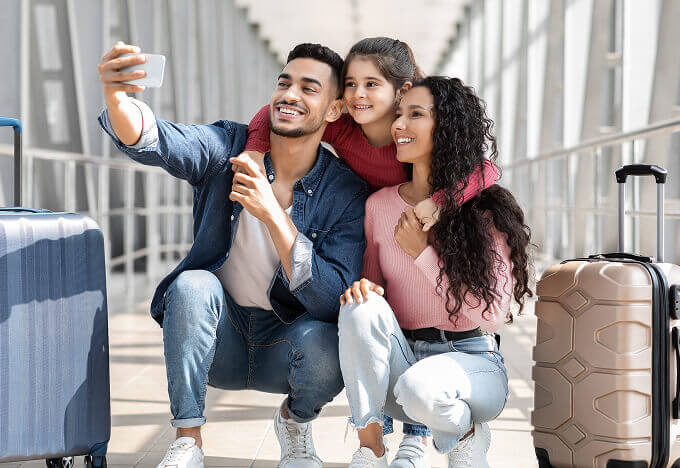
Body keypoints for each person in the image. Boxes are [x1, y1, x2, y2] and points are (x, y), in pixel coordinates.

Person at [97, 41, 368, 468]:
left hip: (288, 341)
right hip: (219, 339)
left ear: (334, 110)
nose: (290, 95)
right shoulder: (231, 148)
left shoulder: (345, 191)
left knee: (329, 342)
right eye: (284, 83)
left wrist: (273, 215)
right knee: (190, 285)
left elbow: (329, 295)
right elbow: (160, 141)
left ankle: (296, 425)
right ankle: (188, 440)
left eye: (308, 88)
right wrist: (116, 98)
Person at [337, 76, 533, 468]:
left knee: (419, 389)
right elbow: (376, 289)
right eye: (399, 115)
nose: (399, 126)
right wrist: (362, 289)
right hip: (404, 359)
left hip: (471, 361)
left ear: (446, 128)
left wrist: (423, 254)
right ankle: (371, 450)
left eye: (416, 115)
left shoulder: (485, 212)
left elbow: (492, 315)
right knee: (358, 306)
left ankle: (466, 431)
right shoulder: (378, 206)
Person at [244, 37, 499, 230]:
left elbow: (487, 169)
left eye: (371, 84)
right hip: (364, 222)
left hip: (418, 222)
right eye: (351, 84)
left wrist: (439, 202)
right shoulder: (340, 128)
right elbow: (272, 111)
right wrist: (254, 153)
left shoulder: (415, 136)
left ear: (402, 90)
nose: (358, 94)